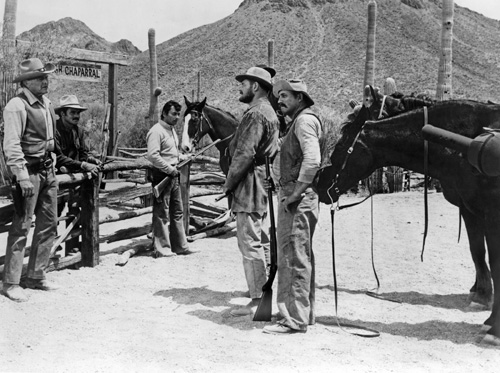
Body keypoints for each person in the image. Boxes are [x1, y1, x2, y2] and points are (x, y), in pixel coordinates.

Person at [263, 79, 322, 334]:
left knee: (293, 256)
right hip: (294, 194)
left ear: (300, 98)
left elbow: (313, 160)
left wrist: (295, 193)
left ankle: (293, 319)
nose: (281, 100)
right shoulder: (298, 122)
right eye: (279, 96)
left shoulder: (304, 121)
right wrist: (276, 178)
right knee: (300, 254)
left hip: (297, 198)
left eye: (286, 95)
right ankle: (303, 315)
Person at [2, 58, 60, 302]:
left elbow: (49, 137)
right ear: (27, 81)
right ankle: (11, 282)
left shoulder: (46, 103)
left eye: (46, 77)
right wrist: (22, 177)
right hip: (30, 172)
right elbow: (12, 145)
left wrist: (53, 158)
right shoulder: (17, 105)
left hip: (47, 170)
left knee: (49, 224)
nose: (45, 81)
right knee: (22, 226)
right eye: (40, 77)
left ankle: (36, 275)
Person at [223, 66, 279, 316]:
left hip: (250, 183)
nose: (240, 87)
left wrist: (229, 183)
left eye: (244, 83)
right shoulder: (270, 112)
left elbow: (245, 153)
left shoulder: (256, 114)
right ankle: (263, 290)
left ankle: (258, 300)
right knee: (260, 238)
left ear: (255, 86)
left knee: (249, 241)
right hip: (261, 180)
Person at [147, 100, 196, 257]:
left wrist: (184, 157)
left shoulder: (172, 130)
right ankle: (162, 248)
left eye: (178, 114)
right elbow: (153, 156)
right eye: (173, 114)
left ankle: (180, 246)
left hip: (173, 174)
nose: (176, 117)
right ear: (164, 114)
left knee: (177, 212)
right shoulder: (156, 131)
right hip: (162, 175)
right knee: (162, 213)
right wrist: (169, 169)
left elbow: (171, 153)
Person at [55, 95, 101, 176]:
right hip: (56, 173)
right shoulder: (53, 130)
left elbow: (82, 153)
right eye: (72, 112)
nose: (76, 116)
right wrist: (82, 165)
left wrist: (89, 160)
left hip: (74, 171)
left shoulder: (78, 131)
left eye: (78, 113)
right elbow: (58, 157)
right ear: (62, 113)